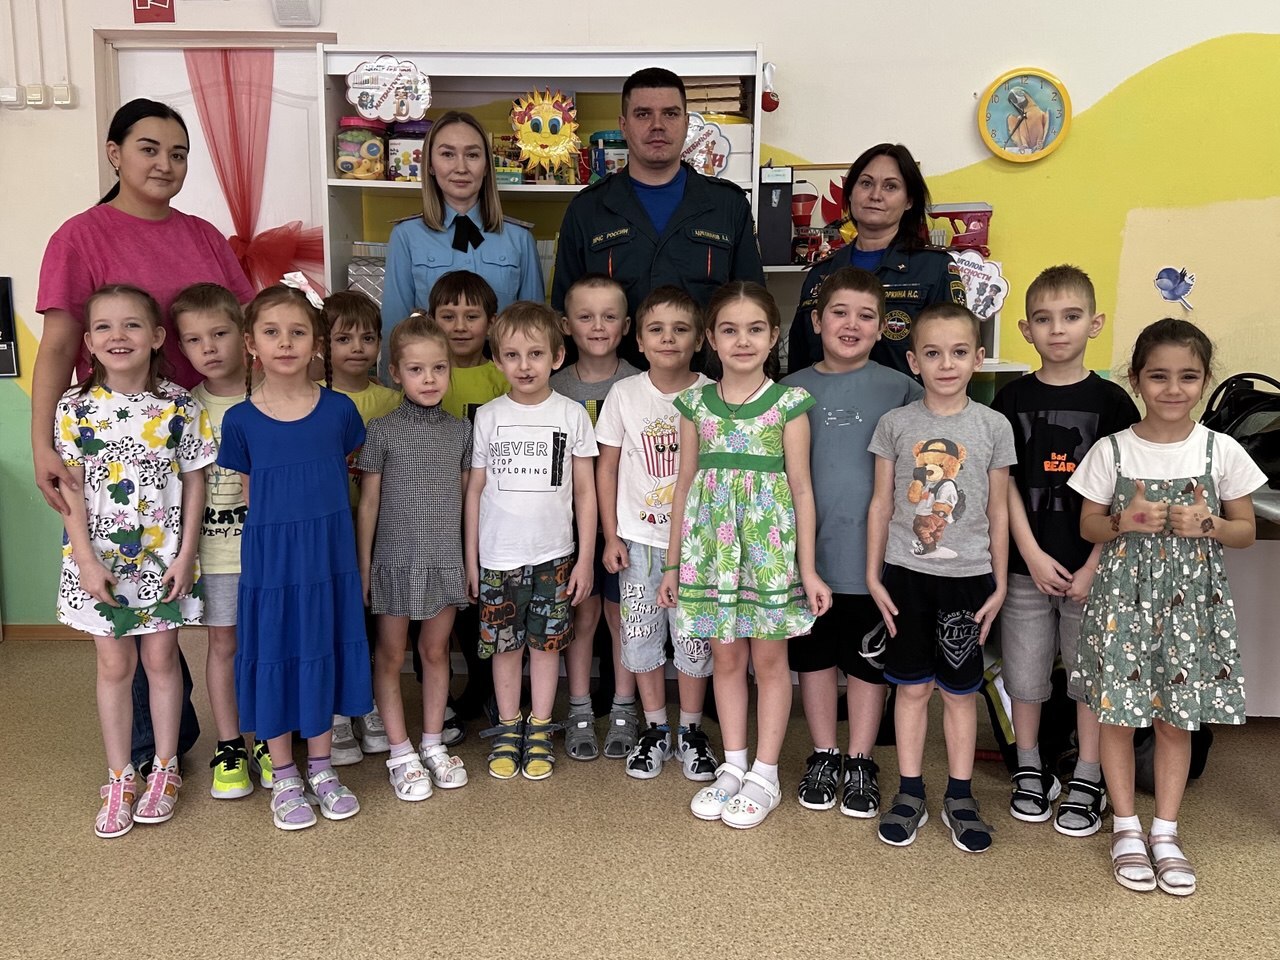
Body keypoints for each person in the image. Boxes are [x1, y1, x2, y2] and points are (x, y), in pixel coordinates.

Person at [34, 98, 254, 776]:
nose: (165, 164)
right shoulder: (80, 237)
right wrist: (41, 443)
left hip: (196, 440)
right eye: (149, 148)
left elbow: (244, 325)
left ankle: (175, 744)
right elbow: (58, 346)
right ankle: (142, 757)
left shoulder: (204, 237)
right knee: (130, 604)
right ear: (115, 154)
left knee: (181, 598)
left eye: (178, 154)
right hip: (117, 457)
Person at [1069, 318, 1264, 896]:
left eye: (1188, 377)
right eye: (1158, 376)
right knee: (1118, 716)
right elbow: (1087, 526)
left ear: (1205, 381)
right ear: (1135, 380)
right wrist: (1122, 521)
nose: (1173, 389)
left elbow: (1246, 531)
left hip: (1190, 609)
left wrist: (1210, 524)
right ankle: (1126, 827)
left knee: (1175, 719)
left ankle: (1166, 831)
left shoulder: (1220, 449)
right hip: (1122, 604)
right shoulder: (1112, 450)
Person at [659, 282, 830, 829]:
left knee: (770, 662)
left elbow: (801, 489)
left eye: (755, 329)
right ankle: (733, 765)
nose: (742, 340)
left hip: (768, 554)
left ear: (773, 336)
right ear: (711, 338)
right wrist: (672, 564)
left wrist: (807, 569)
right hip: (711, 554)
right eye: (729, 330)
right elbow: (684, 486)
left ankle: (765, 773)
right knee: (726, 658)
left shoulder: (788, 405)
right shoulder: (694, 405)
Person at [54, 284, 213, 837]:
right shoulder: (73, 408)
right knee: (114, 667)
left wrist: (187, 554)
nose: (117, 336)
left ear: (157, 336)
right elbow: (69, 489)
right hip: (97, 562)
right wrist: (84, 559)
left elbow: (195, 482)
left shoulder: (180, 405)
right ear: (89, 341)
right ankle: (120, 776)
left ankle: (165, 769)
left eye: (131, 325)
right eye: (103, 326)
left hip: (164, 560)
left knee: (162, 661)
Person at [216, 281, 373, 831]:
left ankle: (323, 767)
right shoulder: (240, 421)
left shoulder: (340, 411)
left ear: (317, 344)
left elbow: (345, 474)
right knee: (278, 655)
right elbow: (252, 496)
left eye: (298, 332)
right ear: (251, 344)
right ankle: (284, 774)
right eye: (272, 332)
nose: (285, 343)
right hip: (273, 565)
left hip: (328, 559)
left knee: (321, 651)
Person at [990, 265, 1140, 835]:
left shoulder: (1113, 402)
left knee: (1089, 678)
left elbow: (1127, 493)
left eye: (1071, 317)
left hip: (1092, 572)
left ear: (1094, 324)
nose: (1058, 329)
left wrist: (1094, 565)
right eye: (1044, 319)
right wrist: (1028, 552)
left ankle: (1088, 773)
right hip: (1025, 568)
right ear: (1025, 329)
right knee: (1025, 677)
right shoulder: (1009, 399)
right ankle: (1029, 765)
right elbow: (1003, 487)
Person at [866, 302, 1016, 852]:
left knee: (959, 692)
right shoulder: (895, 424)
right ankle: (909, 792)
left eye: (958, 352)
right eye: (932, 353)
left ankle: (960, 795)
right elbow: (881, 504)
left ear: (978, 358)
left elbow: (998, 510)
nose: (946, 364)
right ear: (914, 361)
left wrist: (1000, 583)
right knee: (910, 690)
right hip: (905, 577)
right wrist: (873, 576)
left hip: (969, 580)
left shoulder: (993, 426)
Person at [780, 267, 922, 817]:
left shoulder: (902, 390)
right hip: (807, 560)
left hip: (874, 563)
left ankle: (861, 758)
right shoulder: (789, 391)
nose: (851, 324)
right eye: (839, 312)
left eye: (866, 316)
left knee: (867, 664)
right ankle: (824, 752)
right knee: (814, 659)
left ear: (882, 328)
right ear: (816, 321)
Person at [464, 302, 599, 781]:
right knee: (505, 648)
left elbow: (586, 492)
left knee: (545, 647)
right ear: (496, 360)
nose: (524, 365)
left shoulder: (572, 414)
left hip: (554, 556)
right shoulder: (488, 417)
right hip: (498, 558)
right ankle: (508, 726)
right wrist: (471, 561)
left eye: (536, 354)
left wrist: (585, 559)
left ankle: (539, 727)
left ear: (557, 357)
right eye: (512, 355)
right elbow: (474, 490)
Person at [552, 68, 764, 365]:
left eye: (670, 114)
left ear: (686, 123)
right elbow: (564, 313)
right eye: (643, 114)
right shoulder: (587, 210)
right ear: (623, 126)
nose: (657, 126)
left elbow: (754, 307)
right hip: (614, 384)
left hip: (709, 384)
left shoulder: (728, 205)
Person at [595, 285, 718, 784]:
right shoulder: (625, 395)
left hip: (696, 545)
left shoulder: (713, 394)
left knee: (692, 639)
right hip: (638, 542)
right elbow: (606, 469)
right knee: (641, 636)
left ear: (699, 340)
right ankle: (655, 728)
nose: (668, 338)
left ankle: (690, 729)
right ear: (640, 341)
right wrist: (610, 536)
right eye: (656, 329)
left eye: (680, 329)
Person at [357, 314, 472, 800]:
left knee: (435, 651)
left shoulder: (461, 431)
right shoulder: (381, 431)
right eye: (416, 369)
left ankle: (432, 742)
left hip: (444, 559)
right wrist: (364, 567)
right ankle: (400, 752)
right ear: (395, 373)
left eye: (439, 368)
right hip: (394, 560)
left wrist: (469, 562)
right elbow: (369, 504)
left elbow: (467, 503)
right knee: (389, 654)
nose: (429, 379)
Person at [172, 282, 264, 798]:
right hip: (217, 554)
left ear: (244, 336)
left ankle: (270, 737)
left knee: (268, 646)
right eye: (193, 339)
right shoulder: (186, 408)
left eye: (219, 334)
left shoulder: (270, 397)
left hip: (269, 553)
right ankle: (230, 744)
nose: (208, 348)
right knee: (224, 645)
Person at [550, 274, 640, 761]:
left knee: (621, 617)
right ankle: (580, 707)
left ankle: (625, 706)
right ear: (566, 325)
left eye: (609, 317)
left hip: (627, 525)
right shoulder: (554, 386)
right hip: (569, 525)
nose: (598, 326)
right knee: (581, 615)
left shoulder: (638, 383)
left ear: (626, 326)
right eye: (585, 317)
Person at [381, 111, 544, 375]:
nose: (461, 167)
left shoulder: (519, 238)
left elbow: (535, 329)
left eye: (472, 155)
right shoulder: (406, 236)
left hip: (504, 382)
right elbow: (395, 329)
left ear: (487, 166)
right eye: (447, 154)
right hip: (430, 383)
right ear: (430, 164)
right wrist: (394, 390)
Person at [787, 143, 966, 378]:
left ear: (909, 200)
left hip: (908, 400)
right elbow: (799, 363)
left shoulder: (934, 268)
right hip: (826, 401)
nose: (875, 195)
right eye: (866, 183)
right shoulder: (821, 273)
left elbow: (957, 360)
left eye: (890, 186)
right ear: (850, 193)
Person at [319, 289, 401, 766]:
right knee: (332, 619)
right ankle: (335, 711)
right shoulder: (312, 398)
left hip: (381, 530)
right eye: (343, 338)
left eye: (368, 338)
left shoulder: (392, 400)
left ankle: (366, 702)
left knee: (369, 621)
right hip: (328, 532)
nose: (357, 347)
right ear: (322, 344)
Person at [430, 270, 508, 734]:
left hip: (493, 511)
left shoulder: (501, 375)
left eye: (471, 316)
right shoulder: (428, 373)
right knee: (451, 605)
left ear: (491, 322)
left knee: (488, 605)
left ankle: (492, 690)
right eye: (448, 316)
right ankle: (456, 694)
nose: (460, 326)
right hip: (439, 511)